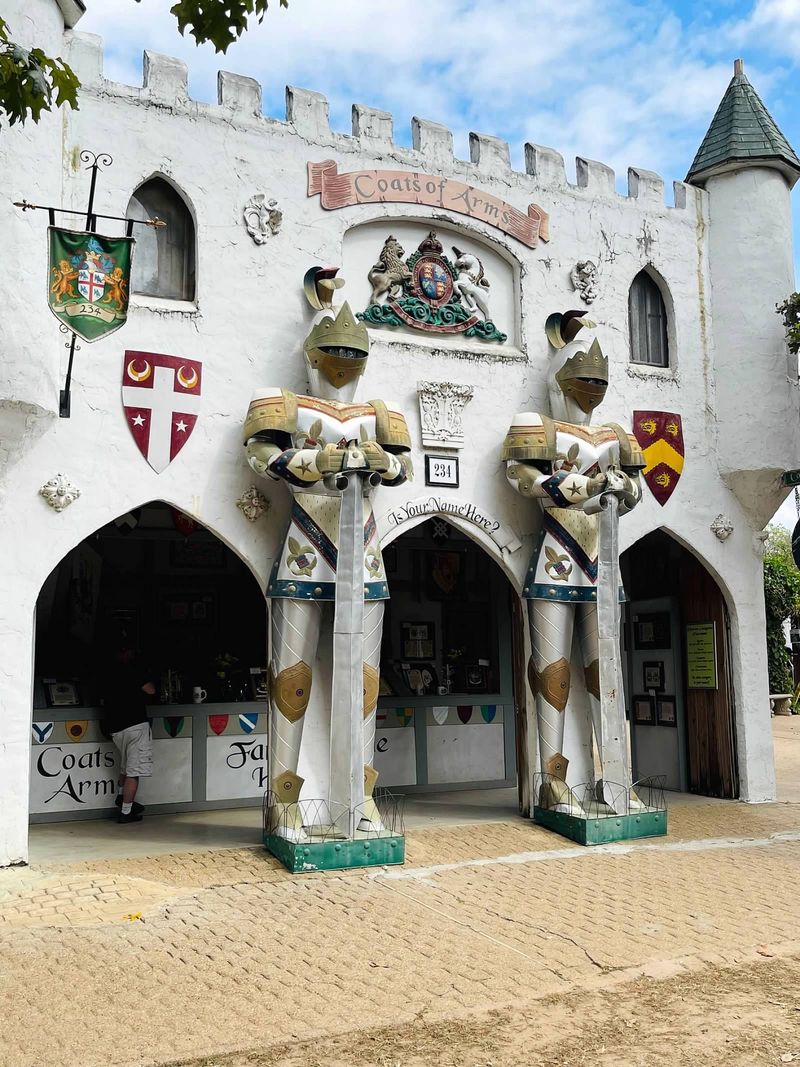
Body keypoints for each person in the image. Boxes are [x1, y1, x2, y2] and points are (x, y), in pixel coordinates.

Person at [502, 310, 644, 814]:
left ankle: (615, 778)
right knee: (552, 674)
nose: (590, 387)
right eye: (583, 377)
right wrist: (585, 485)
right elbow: (526, 479)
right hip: (556, 555)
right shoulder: (537, 427)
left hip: (602, 559)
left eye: (597, 380)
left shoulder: (612, 436)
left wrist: (619, 485)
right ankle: (552, 779)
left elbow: (636, 489)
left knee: (607, 672)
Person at [102, 645, 156, 823]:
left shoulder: (106, 672)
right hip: (135, 725)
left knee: (125, 767)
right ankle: (126, 812)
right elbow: (151, 690)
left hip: (116, 728)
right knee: (134, 772)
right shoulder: (134, 670)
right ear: (126, 653)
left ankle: (120, 797)